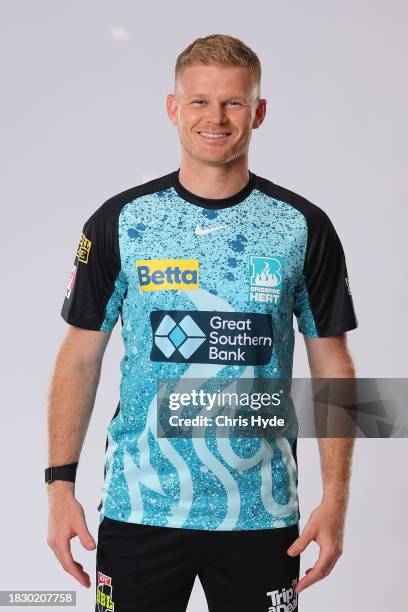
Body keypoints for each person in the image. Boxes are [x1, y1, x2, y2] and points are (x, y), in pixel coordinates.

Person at [46, 34, 358, 612]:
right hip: (141, 507)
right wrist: (59, 485)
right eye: (199, 101)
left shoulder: (302, 226)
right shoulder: (120, 222)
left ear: (258, 112)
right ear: (172, 108)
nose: (216, 117)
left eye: (234, 103)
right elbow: (79, 356)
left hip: (264, 516)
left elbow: (331, 362)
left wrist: (335, 498)